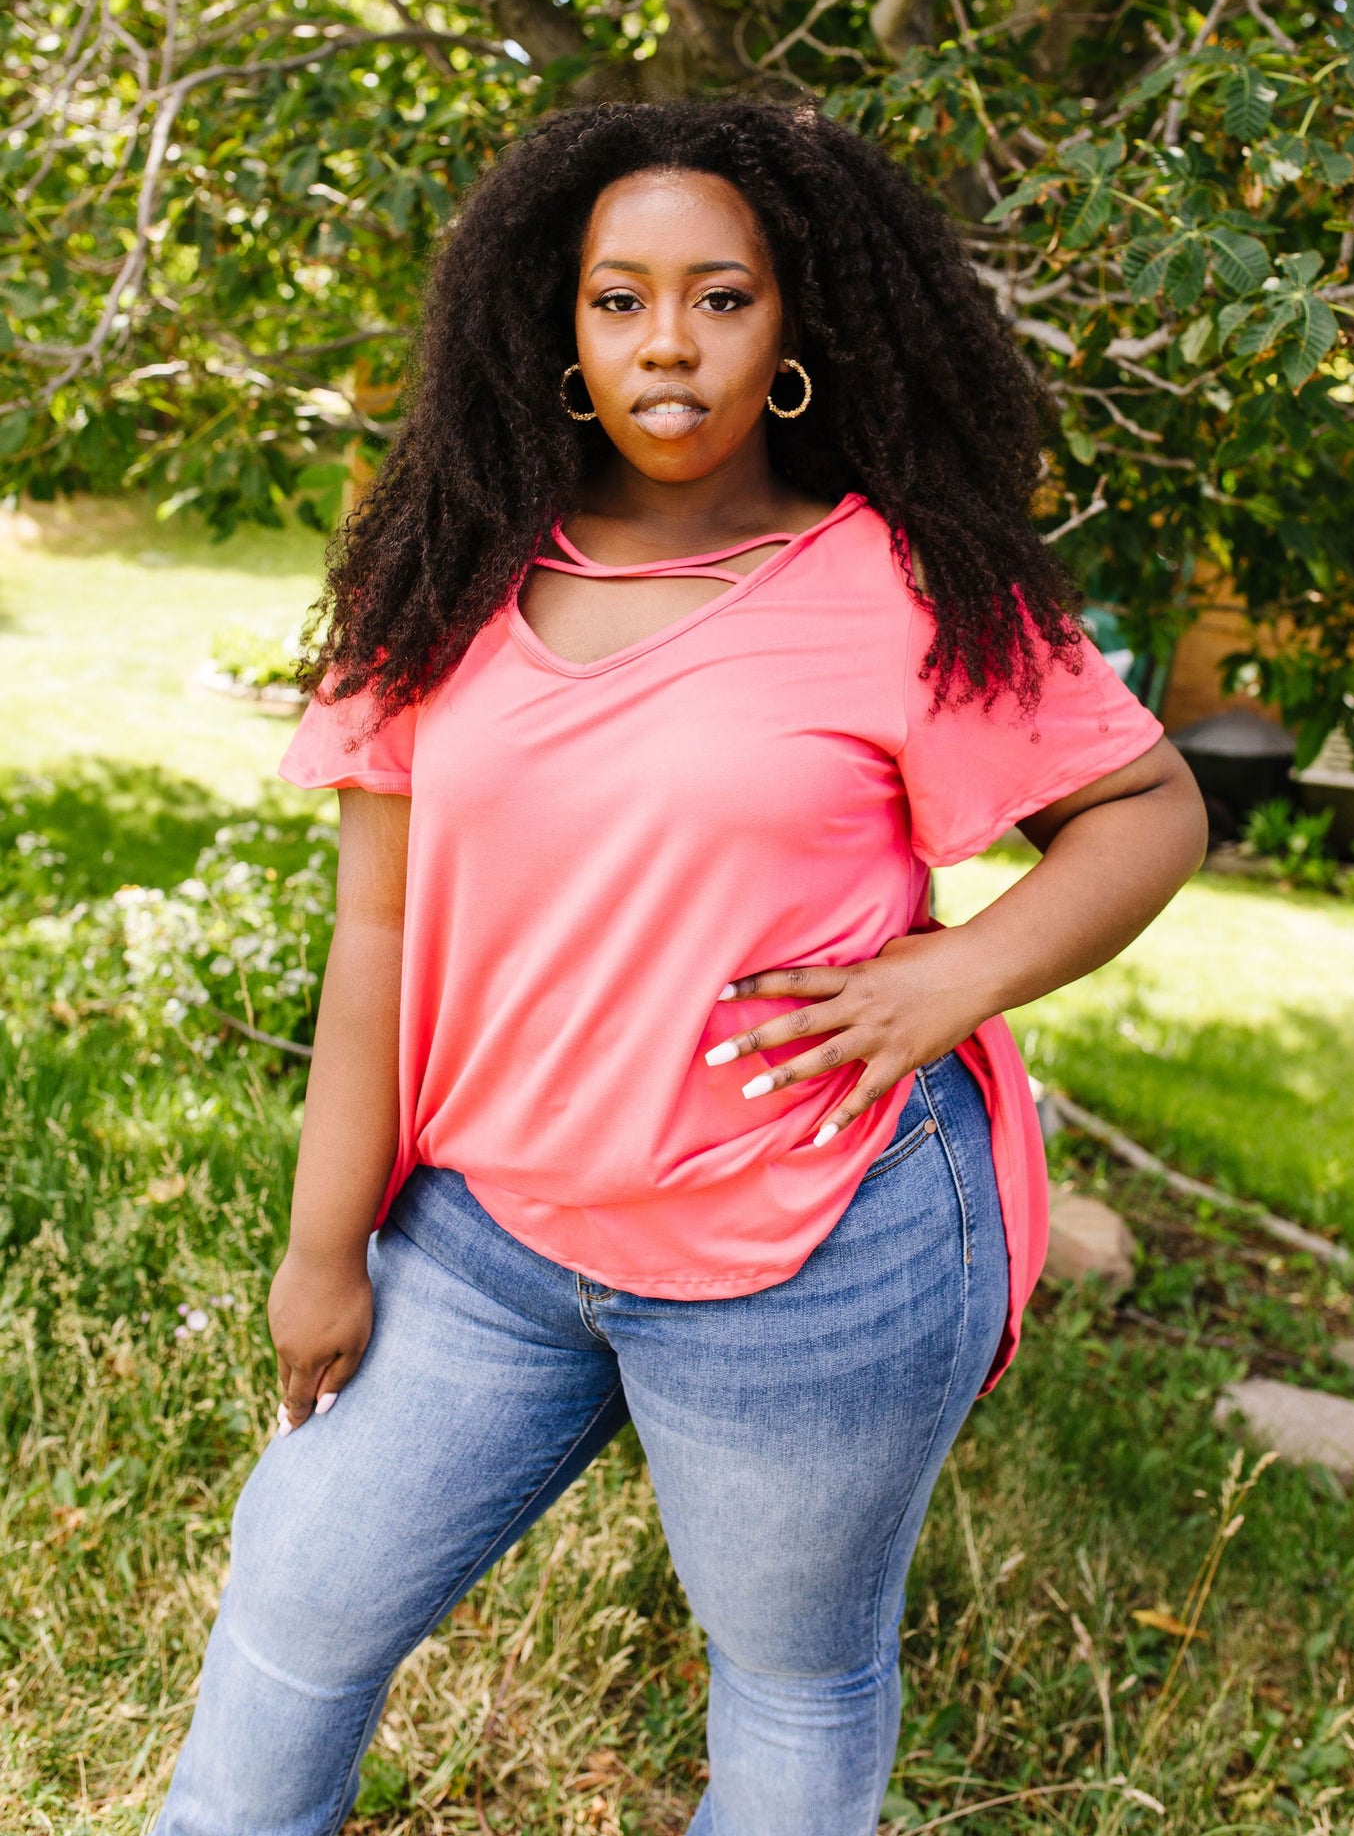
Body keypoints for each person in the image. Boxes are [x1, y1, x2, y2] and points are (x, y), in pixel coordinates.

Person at [157, 100, 1205, 1836]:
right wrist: (319, 1248)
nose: (668, 343)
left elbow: (1145, 807)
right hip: (485, 1237)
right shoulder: (443, 578)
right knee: (298, 1607)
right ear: (554, 328)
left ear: (795, 327)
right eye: (618, 298)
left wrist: (955, 981)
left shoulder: (895, 586)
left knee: (788, 1680)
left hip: (814, 1246)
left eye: (720, 298)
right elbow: (380, 934)